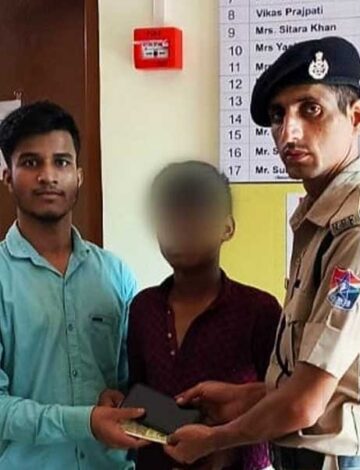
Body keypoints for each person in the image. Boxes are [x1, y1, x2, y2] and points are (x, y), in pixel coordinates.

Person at [163, 36, 360, 470]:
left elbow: (306, 405)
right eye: (278, 116)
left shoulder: (359, 234)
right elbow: (327, 382)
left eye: (310, 109)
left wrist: (214, 440)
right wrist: (246, 396)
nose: (288, 132)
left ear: (356, 117)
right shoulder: (318, 223)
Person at [0, 101, 147, 468]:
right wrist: (86, 421)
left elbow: (132, 380)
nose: (48, 176)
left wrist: (120, 398)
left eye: (62, 162)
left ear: (79, 175)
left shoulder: (115, 275)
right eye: (31, 163)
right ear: (7, 177)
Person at [127, 161, 281, 469]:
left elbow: (282, 400)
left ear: (227, 227)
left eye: (195, 213)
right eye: (169, 215)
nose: (181, 225)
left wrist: (221, 442)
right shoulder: (143, 307)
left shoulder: (259, 310)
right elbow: (138, 392)